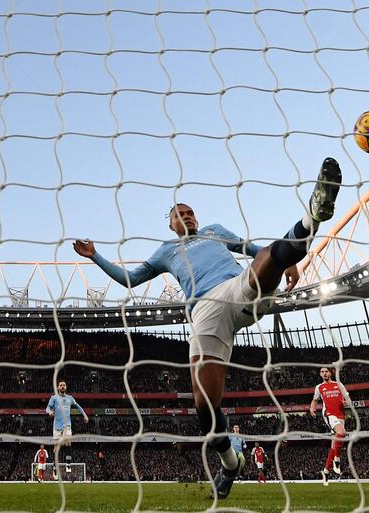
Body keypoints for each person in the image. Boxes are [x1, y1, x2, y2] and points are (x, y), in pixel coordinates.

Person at [74, 157, 342, 498]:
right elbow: (130, 279)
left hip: (239, 289)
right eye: (179, 214)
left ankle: (313, 214)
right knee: (204, 407)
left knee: (272, 254)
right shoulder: (165, 251)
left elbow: (251, 249)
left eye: (189, 212)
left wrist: (285, 262)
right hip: (205, 312)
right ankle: (231, 463)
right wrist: (95, 255)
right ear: (171, 225)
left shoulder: (215, 231)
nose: (186, 216)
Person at [309, 367, 351, 485]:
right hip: (329, 414)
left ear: (330, 373)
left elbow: (349, 400)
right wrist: (312, 407)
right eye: (322, 372)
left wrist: (346, 403)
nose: (324, 373)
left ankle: (326, 471)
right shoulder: (319, 387)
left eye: (326, 371)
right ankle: (337, 460)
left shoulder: (339, 385)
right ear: (320, 374)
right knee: (342, 433)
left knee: (335, 445)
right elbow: (315, 400)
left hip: (341, 415)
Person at [46, 381, 88, 477]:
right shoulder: (54, 398)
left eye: (64, 385)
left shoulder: (70, 398)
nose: (62, 386)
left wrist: (85, 415)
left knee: (68, 441)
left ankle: (68, 463)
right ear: (57, 387)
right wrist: (49, 412)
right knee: (56, 448)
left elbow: (78, 406)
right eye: (61, 385)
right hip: (57, 426)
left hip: (67, 424)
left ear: (66, 387)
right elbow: (47, 408)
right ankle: (54, 465)